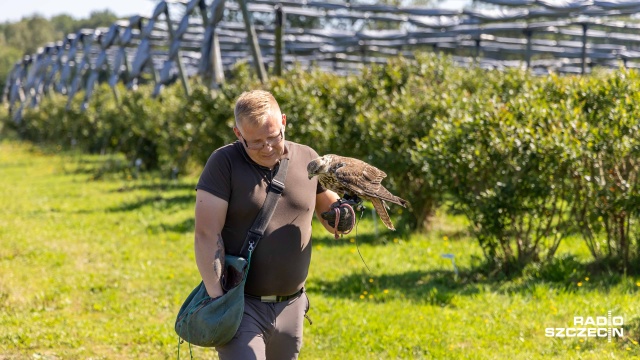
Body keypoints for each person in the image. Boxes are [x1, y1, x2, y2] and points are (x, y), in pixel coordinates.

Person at [194, 89, 355, 359]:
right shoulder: (224, 164)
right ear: (238, 133)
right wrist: (217, 298)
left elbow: (332, 216)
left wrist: (345, 214)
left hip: (291, 306)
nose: (267, 148)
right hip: (240, 304)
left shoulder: (307, 159)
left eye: (273, 137)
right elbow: (206, 234)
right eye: (255, 142)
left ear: (283, 121)